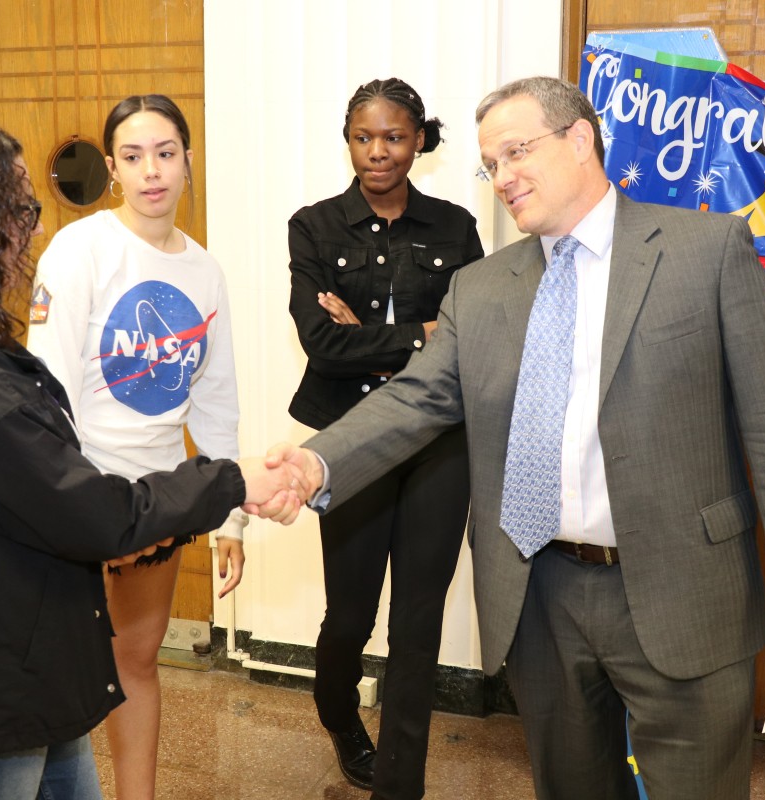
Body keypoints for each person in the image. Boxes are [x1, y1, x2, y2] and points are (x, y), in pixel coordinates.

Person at [260, 76, 765, 800]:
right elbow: (415, 397)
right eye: (490, 164)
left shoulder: (705, 251)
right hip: (542, 595)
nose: (502, 176)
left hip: (680, 586)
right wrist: (316, 462)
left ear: (581, 140)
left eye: (516, 152)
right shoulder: (483, 287)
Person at [0, 110, 301, 800]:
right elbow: (91, 513)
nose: (37, 227)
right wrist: (231, 482)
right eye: (20, 208)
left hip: (22, 668)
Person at [25, 94, 246, 800]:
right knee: (53, 672)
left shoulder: (205, 272)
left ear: (187, 160)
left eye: (166, 152)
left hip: (155, 505)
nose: (152, 170)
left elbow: (214, 403)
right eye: (132, 156)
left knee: (136, 664)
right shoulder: (83, 248)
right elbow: (46, 389)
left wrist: (228, 521)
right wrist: (89, 511)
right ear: (114, 170)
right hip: (76, 499)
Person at [286, 78, 483, 798]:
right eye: (364, 137)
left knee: (418, 618)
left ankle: (402, 779)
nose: (378, 152)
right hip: (350, 440)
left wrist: (371, 337)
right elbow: (320, 345)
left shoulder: (456, 227)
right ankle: (339, 715)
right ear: (349, 140)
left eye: (395, 137)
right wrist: (420, 334)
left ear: (419, 141)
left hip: (439, 441)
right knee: (351, 613)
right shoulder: (313, 226)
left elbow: (470, 340)